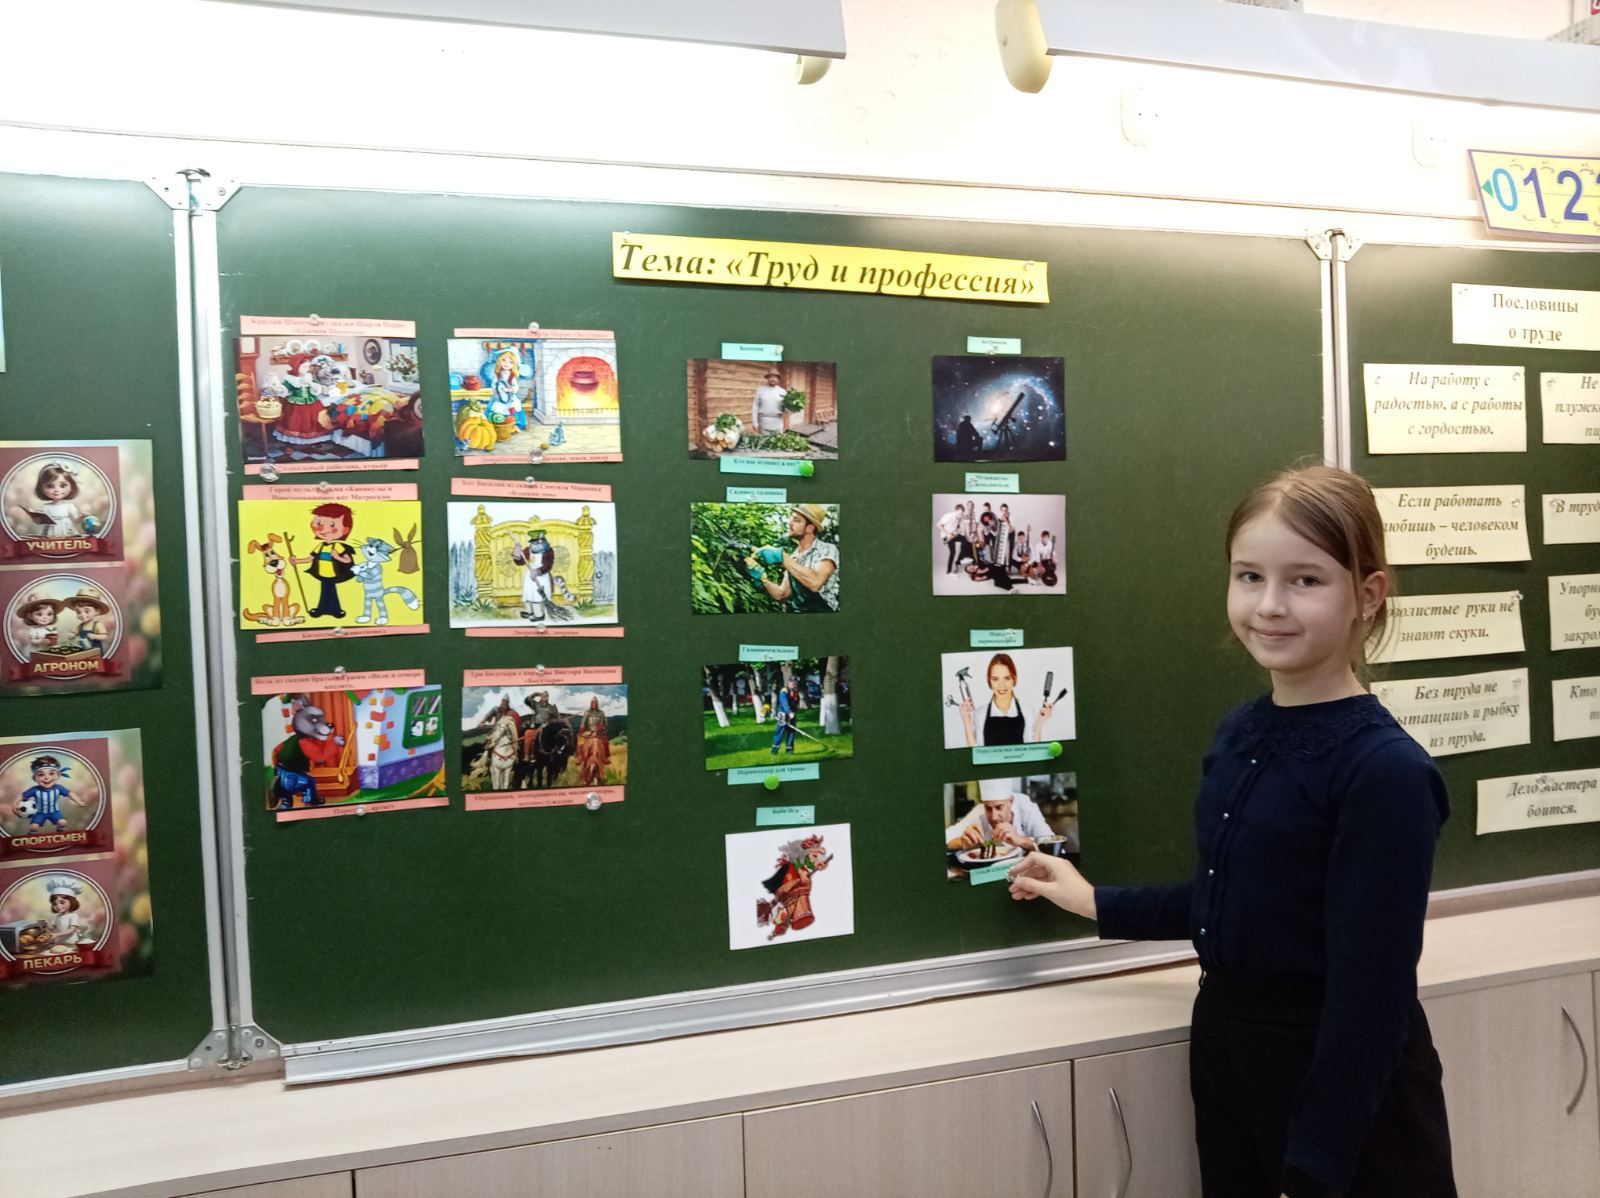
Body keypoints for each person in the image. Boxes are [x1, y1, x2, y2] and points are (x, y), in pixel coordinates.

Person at [1007, 465, 1456, 1198]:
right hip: (1232, 1056)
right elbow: (1241, 901)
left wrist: (1313, 1167)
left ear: (1368, 595)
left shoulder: (1385, 772)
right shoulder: (1242, 732)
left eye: (1305, 580)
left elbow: (1370, 998)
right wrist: (1091, 900)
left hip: (1343, 1105)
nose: (1269, 606)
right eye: (1249, 576)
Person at [958, 652, 1055, 747]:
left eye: (1007, 678)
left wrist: (1040, 723)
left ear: (1014, 679)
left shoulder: (1028, 711)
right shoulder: (979, 714)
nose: (1001, 685)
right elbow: (976, 752)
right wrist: (966, 721)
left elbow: (1032, 750)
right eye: (995, 679)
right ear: (989, 681)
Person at [756, 504, 839, 613]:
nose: (790, 523)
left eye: (796, 520)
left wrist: (783, 556)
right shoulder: (794, 557)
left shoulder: (827, 550)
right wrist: (762, 579)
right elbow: (782, 595)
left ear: (809, 528)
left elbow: (815, 582)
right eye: (791, 518)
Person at [946, 778, 1053, 852]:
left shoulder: (1027, 808)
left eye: (999, 807)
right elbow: (944, 838)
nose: (993, 817)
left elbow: (1052, 845)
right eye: (988, 808)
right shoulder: (979, 812)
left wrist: (1020, 840)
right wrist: (962, 843)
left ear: (1010, 801)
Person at [293, 502, 356, 619]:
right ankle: (326, 610)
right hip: (322, 574)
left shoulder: (338, 546)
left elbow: (348, 560)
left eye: (332, 524)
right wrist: (297, 561)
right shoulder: (320, 546)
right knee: (325, 592)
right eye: (319, 523)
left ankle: (334, 610)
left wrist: (337, 557)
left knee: (330, 593)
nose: (323, 528)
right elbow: (310, 558)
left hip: (332, 575)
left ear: (344, 530)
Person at [17, 755, 85, 831]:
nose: (46, 777)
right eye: (41, 775)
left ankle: (60, 831)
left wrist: (78, 801)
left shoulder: (58, 788)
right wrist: (14, 806)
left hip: (54, 812)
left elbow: (70, 794)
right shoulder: (34, 790)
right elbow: (22, 796)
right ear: (34, 778)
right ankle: (33, 836)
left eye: (51, 773)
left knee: (63, 823)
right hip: (39, 813)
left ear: (58, 776)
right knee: (33, 827)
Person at [750, 368, 789, 435]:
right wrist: (754, 423)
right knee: (764, 441)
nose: (772, 379)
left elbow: (786, 409)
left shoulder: (783, 392)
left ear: (778, 379)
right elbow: (755, 406)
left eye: (775, 377)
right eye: (770, 377)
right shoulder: (760, 390)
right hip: (764, 423)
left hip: (778, 423)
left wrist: (793, 407)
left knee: (777, 441)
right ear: (767, 378)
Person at [770, 678, 803, 755]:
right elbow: (784, 703)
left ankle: (789, 750)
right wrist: (789, 712)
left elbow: (796, 703)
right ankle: (774, 750)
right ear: (788, 683)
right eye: (792, 683)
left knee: (791, 732)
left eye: (795, 683)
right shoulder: (783, 691)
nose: (794, 685)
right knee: (780, 732)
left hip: (792, 715)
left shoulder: (795, 692)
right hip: (783, 715)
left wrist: (794, 712)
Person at [936, 502, 970, 573]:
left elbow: (956, 525)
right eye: (959, 513)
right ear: (955, 511)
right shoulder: (948, 516)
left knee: (965, 541)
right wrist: (947, 534)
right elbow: (938, 525)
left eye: (961, 514)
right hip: (946, 537)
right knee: (953, 552)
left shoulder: (960, 517)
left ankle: (958, 561)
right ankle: (948, 570)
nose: (960, 515)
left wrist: (958, 529)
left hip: (953, 534)